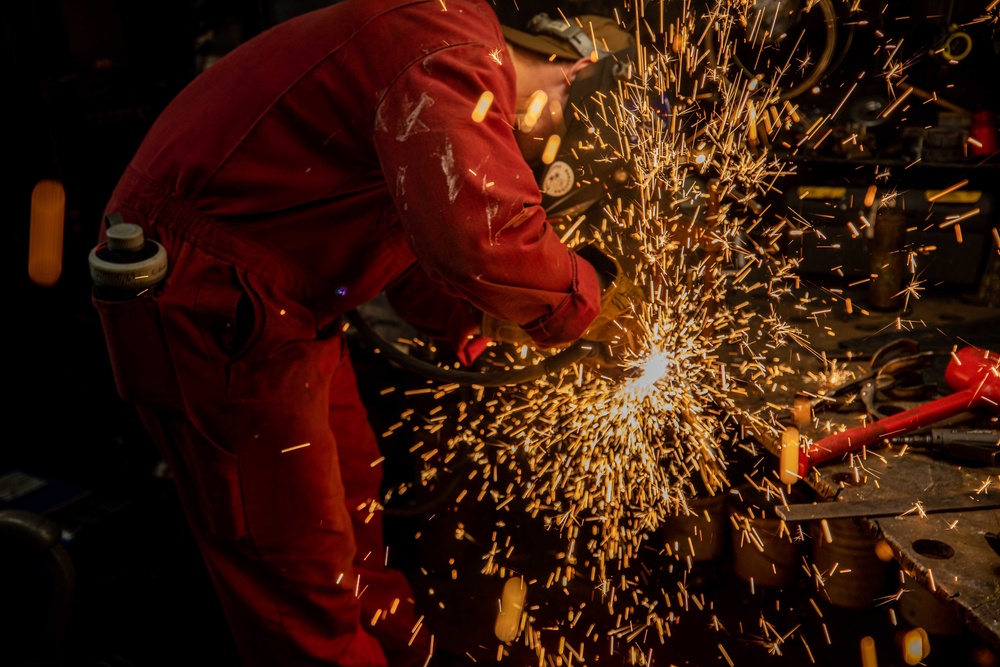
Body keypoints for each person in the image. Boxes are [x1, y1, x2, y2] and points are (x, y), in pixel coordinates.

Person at [89, 1, 640, 665]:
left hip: (288, 307)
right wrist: (589, 298)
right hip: (215, 298)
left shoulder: (442, 62)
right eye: (568, 91)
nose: (555, 117)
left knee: (351, 533)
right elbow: (484, 241)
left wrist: (478, 319)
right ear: (563, 55)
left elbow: (420, 250)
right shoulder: (451, 47)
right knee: (298, 580)